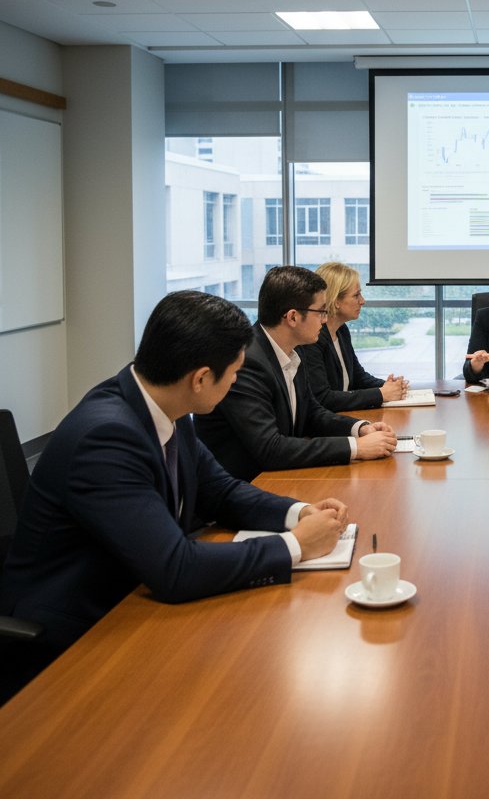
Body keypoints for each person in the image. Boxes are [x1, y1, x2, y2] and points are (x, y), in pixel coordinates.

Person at [0, 291, 350, 671]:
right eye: (234, 372)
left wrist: (297, 513)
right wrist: (296, 545)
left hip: (135, 597)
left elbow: (221, 490)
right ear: (200, 378)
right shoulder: (104, 438)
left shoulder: (166, 401)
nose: (236, 381)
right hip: (76, 634)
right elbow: (176, 568)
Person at [195, 266, 397, 481]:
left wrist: (360, 429)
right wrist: (355, 447)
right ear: (292, 317)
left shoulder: (293, 349)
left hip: (282, 478)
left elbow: (312, 413)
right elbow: (270, 448)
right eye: (320, 311)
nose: (324, 319)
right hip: (248, 488)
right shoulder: (248, 362)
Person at [298, 262, 410, 411]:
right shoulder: (313, 338)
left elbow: (358, 377)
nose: (362, 301)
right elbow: (323, 398)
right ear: (336, 300)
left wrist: (389, 386)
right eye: (356, 295)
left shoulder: (341, 330)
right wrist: (381, 394)